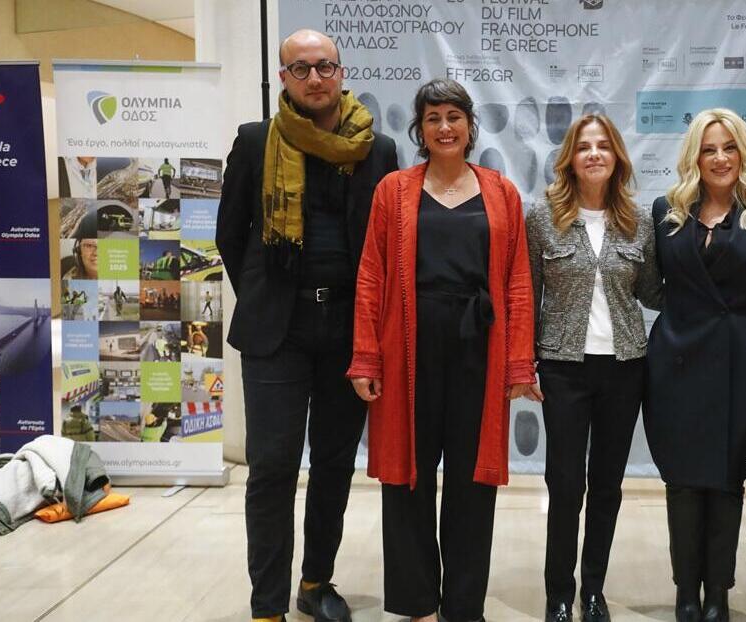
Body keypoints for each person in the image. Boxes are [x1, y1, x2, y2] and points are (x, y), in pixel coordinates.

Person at [214, 28, 398, 622]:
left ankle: (315, 582)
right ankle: (267, 605)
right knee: (272, 467)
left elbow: (385, 243)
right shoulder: (254, 142)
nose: (314, 78)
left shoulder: (377, 149)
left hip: (349, 330)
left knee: (335, 464)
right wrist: (267, 296)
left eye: (324, 66)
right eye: (301, 68)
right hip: (278, 332)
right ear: (283, 77)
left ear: (341, 72)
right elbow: (229, 234)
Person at [348, 77, 536, 622]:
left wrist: (519, 364)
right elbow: (371, 275)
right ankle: (418, 606)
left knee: (472, 482)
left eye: (454, 117)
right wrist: (365, 357)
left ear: (470, 126)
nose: (444, 127)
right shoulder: (394, 191)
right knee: (407, 476)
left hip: (480, 349)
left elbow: (518, 282)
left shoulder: (501, 192)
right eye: (433, 118)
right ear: (420, 129)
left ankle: (463, 607)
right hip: (408, 348)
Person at [644, 108, 746, 622]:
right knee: (682, 481)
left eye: (729, 147)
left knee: (729, 481)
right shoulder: (666, 211)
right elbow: (654, 287)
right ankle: (686, 593)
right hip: (676, 367)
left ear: (743, 153)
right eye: (708, 149)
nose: (719, 158)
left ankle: (718, 596)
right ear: (695, 157)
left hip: (743, 367)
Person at [526, 114, 661, 622]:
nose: (594, 154)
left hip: (624, 367)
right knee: (565, 485)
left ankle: (594, 590)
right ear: (570, 159)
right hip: (563, 367)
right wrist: (523, 363)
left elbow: (653, 291)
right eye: (584, 146)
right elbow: (527, 294)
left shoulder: (639, 220)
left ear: (617, 157)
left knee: (607, 485)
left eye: (604, 146)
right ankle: (559, 592)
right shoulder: (542, 217)